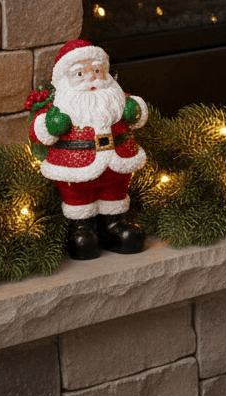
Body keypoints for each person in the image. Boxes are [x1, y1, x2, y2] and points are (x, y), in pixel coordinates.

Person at [27, 39, 147, 260]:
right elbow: (39, 131)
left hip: (118, 163)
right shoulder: (61, 104)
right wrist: (50, 124)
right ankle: (81, 229)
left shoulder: (116, 98)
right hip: (74, 169)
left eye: (97, 70)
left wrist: (135, 110)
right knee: (78, 199)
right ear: (65, 80)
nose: (92, 77)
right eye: (81, 73)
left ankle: (114, 226)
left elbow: (134, 114)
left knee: (115, 195)